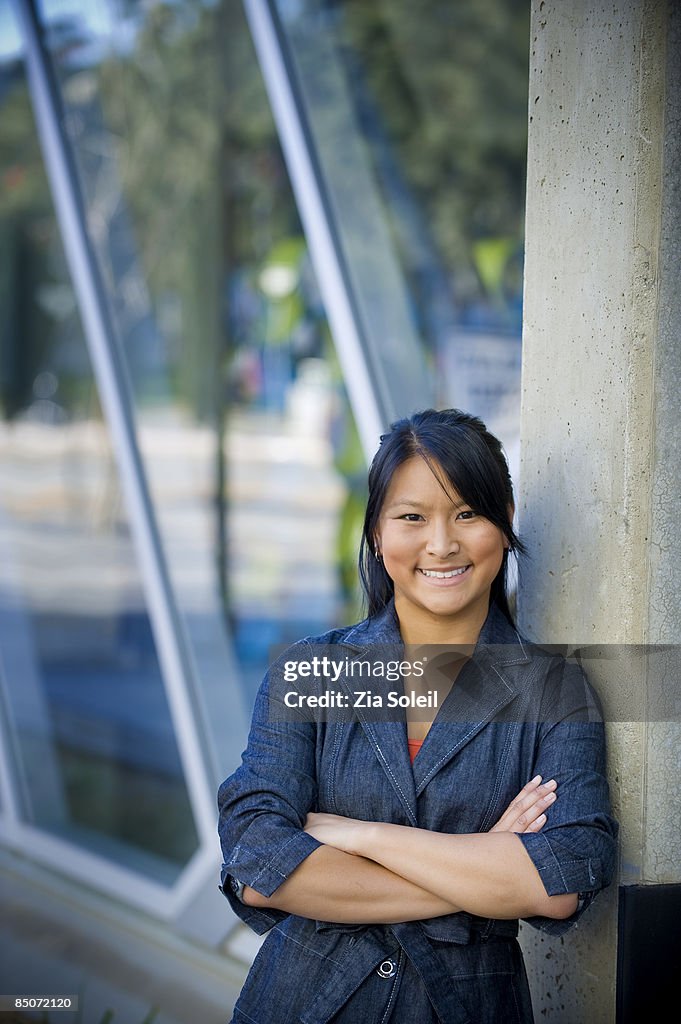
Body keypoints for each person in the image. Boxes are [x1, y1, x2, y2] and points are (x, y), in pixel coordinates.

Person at [218, 408, 618, 1023]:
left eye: (467, 513)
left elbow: (561, 879)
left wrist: (364, 837)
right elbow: (257, 865)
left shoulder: (555, 690)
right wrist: (485, 865)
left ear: (505, 524)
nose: (441, 543)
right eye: (412, 517)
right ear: (377, 533)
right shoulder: (310, 671)